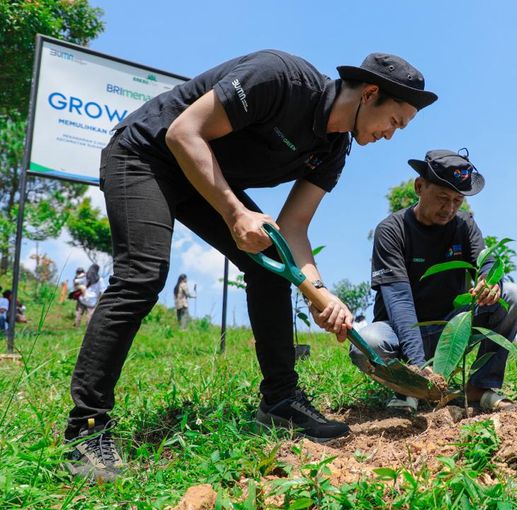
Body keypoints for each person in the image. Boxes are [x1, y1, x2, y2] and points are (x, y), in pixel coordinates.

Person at [64, 50, 437, 482]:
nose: (392, 135)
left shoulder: (332, 150)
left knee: (269, 264)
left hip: (202, 178)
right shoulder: (279, 79)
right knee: (143, 274)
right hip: (146, 154)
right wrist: (234, 213)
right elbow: (183, 133)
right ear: (370, 93)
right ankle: (86, 428)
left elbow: (293, 229)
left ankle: (281, 404)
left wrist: (320, 294)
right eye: (395, 122)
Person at [351, 150, 517, 412]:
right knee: (368, 344)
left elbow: (486, 260)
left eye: (458, 200)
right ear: (419, 187)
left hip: (452, 328)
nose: (450, 209)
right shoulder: (391, 230)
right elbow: (399, 300)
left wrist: (490, 281)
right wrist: (418, 365)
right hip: (400, 332)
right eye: (442, 198)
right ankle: (407, 389)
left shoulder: (465, 224)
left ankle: (480, 388)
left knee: (512, 296)